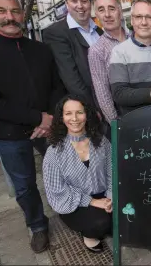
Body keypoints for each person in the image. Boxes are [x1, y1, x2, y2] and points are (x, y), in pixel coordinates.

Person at [0, 0, 66, 253]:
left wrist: (49, 118)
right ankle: (38, 226)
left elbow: (57, 87)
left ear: (22, 13)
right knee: (24, 185)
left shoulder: (41, 49)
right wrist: (36, 118)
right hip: (10, 134)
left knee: (65, 172)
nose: (10, 17)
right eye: (2, 11)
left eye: (15, 10)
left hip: (49, 126)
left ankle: (70, 211)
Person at [43, 94, 112, 253]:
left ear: (87, 114)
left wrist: (110, 196)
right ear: (61, 117)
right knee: (100, 223)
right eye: (68, 113)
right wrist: (93, 202)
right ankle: (89, 236)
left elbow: (112, 170)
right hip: (75, 203)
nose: (74, 118)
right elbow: (57, 192)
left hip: (104, 195)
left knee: (128, 213)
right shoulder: (54, 153)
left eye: (79, 112)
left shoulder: (101, 141)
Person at [108, 0, 151, 116]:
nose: (144, 22)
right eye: (138, 17)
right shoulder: (119, 52)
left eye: (149, 17)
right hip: (135, 124)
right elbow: (119, 94)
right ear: (132, 21)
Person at [43, 0, 103, 109]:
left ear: (90, 3)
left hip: (109, 101)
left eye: (84, 1)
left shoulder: (99, 31)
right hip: (85, 107)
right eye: (74, 1)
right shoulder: (56, 32)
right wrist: (91, 108)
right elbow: (71, 78)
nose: (80, 6)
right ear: (66, 4)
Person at [88, 0, 130, 124]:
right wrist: (117, 125)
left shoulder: (137, 37)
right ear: (97, 15)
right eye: (101, 10)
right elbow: (103, 94)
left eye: (111, 8)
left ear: (120, 11)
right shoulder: (96, 50)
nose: (107, 14)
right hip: (123, 116)